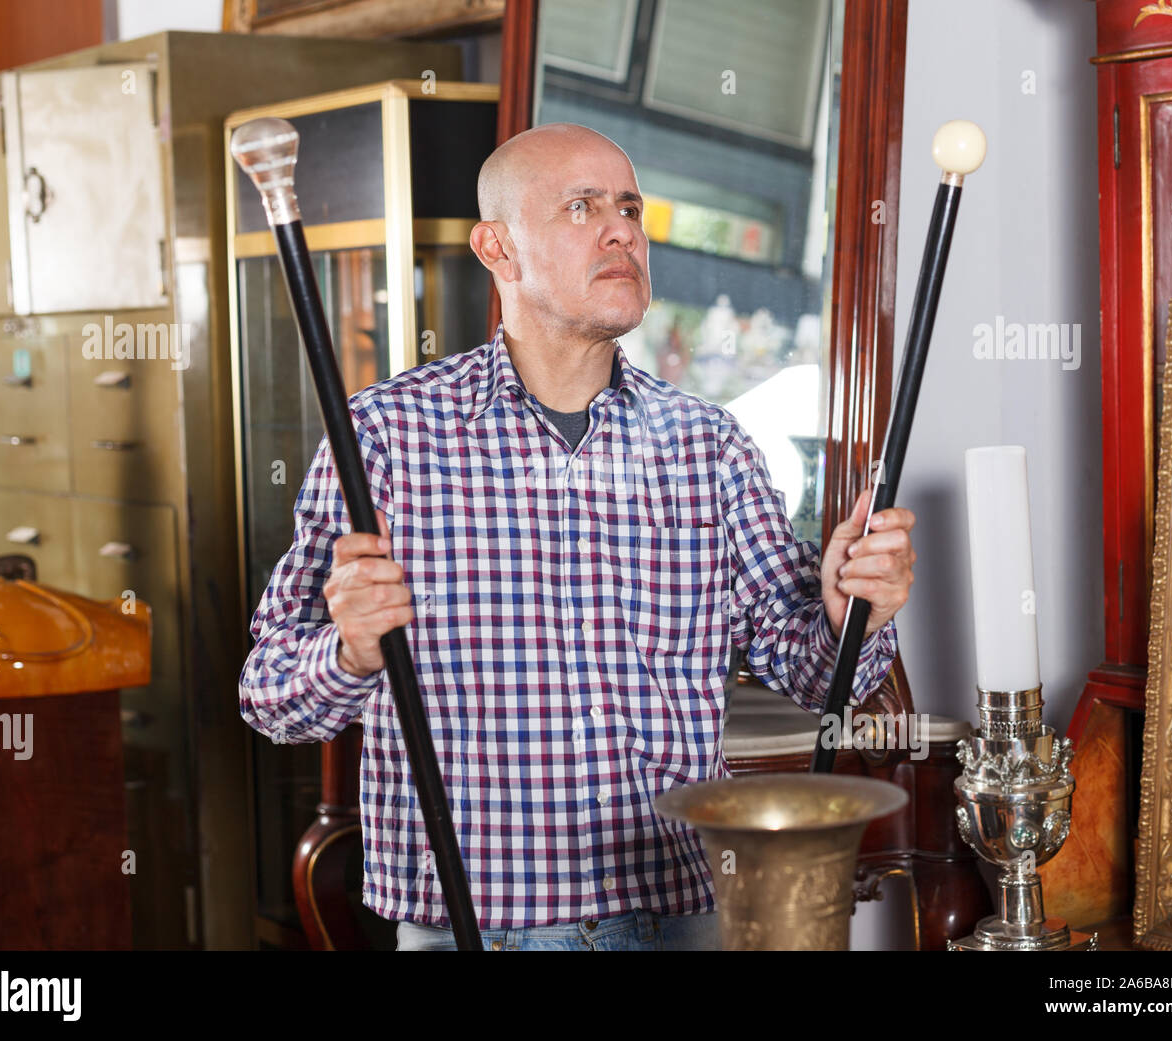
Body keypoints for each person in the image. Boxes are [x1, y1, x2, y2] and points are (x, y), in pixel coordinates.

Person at [238, 123, 916, 951]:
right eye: (581, 206)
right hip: (476, 923)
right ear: (499, 248)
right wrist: (349, 652)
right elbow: (268, 692)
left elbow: (816, 674)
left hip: (684, 910)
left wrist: (855, 613)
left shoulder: (710, 446)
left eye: (629, 206)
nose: (621, 228)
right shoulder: (387, 437)